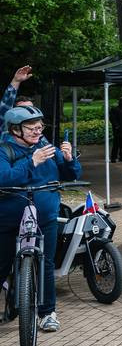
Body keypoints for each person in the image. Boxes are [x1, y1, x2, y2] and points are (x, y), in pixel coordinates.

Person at [0, 105, 80, 332]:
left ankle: (47, 313)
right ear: (16, 130)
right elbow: (3, 177)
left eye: (39, 127)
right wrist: (31, 162)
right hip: (9, 218)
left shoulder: (48, 148)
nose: (37, 132)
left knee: (45, 263)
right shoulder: (5, 151)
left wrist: (68, 159)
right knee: (2, 263)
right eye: (31, 128)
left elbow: (71, 174)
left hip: (45, 216)